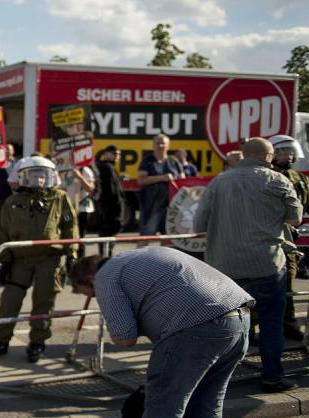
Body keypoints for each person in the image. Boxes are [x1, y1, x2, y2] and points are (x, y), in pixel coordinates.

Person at [68, 247, 254, 417]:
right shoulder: (135, 257)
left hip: (196, 326)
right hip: (239, 316)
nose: (96, 298)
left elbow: (125, 338)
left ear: (89, 279)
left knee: (163, 408)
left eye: (93, 295)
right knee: (206, 404)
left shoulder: (105, 276)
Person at [194, 137, 302, 393]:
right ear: (268, 156)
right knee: (271, 324)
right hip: (267, 265)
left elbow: (198, 225)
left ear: (243, 155)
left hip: (224, 270)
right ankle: (272, 377)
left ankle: (217, 381)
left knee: (225, 325)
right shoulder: (278, 180)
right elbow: (296, 219)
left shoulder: (219, 181)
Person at [0, 156, 78, 362]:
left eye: (43, 175)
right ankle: (1, 340)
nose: (39, 179)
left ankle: (37, 342)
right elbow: (2, 231)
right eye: (34, 175)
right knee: (9, 301)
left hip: (49, 259)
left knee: (43, 302)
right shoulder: (12, 202)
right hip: (19, 260)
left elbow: (70, 226)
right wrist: (4, 260)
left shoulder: (59, 198)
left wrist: (72, 253)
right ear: (24, 177)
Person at [267, 135, 309, 342]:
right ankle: (258, 330)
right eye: (282, 151)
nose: (287, 155)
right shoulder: (265, 176)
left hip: (290, 244)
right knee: (264, 287)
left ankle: (289, 326)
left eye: (290, 151)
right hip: (268, 241)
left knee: (289, 287)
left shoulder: (300, 179)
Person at [137, 134, 184, 235]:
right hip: (151, 205)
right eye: (158, 143)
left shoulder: (174, 162)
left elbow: (183, 181)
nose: (161, 145)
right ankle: (141, 252)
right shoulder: (147, 161)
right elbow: (141, 180)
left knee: (167, 237)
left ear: (168, 145)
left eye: (163, 143)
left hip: (171, 207)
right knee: (146, 235)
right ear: (153, 145)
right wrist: (162, 178)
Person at [95, 146, 125, 256]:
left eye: (118, 154)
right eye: (114, 153)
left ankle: (106, 258)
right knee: (107, 238)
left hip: (108, 208)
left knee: (107, 238)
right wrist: (117, 205)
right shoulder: (106, 167)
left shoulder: (109, 167)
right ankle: (105, 260)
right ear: (106, 154)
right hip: (109, 209)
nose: (117, 156)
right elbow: (110, 190)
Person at [61, 164, 95, 258]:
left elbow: (90, 188)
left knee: (80, 236)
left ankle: (81, 260)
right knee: (69, 235)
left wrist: (79, 176)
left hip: (83, 208)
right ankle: (70, 260)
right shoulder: (67, 171)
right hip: (69, 209)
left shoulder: (85, 170)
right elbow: (63, 188)